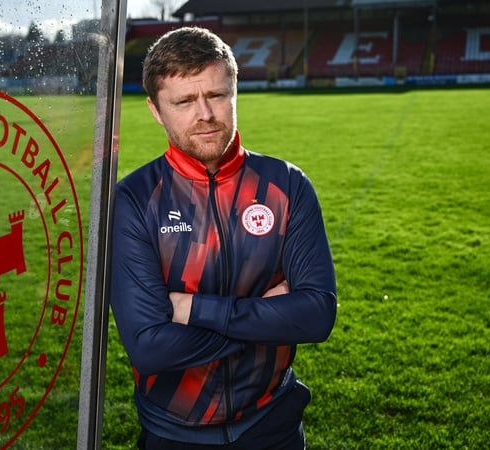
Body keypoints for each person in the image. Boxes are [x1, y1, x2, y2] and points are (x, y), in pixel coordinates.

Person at [110, 26, 337, 449]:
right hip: (172, 434)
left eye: (216, 95)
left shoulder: (286, 185)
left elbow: (317, 315)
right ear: (156, 111)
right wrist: (268, 317)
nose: (206, 114)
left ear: (234, 93)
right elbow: (149, 348)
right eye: (183, 102)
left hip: (273, 425)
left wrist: (192, 308)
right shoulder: (135, 200)